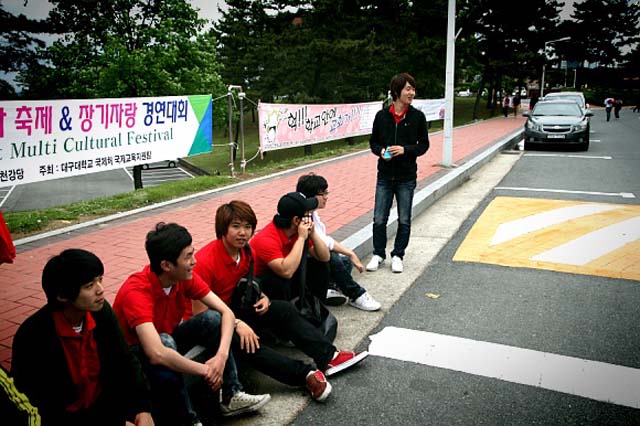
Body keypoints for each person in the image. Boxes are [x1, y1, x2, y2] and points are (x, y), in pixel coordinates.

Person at [193, 201, 368, 402]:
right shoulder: (204, 261)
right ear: (222, 228)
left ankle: (328, 357)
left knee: (283, 309)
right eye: (236, 226)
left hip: (236, 309)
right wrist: (237, 324)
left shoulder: (246, 252)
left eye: (247, 227)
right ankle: (304, 375)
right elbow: (202, 315)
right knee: (247, 342)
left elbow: (248, 284)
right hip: (213, 323)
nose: (242, 232)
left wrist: (263, 297)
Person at [113, 222, 269, 426]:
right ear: (166, 265)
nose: (194, 261)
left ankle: (231, 395)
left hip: (167, 341)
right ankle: (190, 420)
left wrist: (220, 358)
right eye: (188, 256)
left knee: (212, 319)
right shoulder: (137, 291)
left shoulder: (183, 277)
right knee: (165, 341)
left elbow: (226, 313)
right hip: (135, 358)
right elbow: (156, 352)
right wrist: (206, 370)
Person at [11, 248, 153, 426]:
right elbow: (40, 403)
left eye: (100, 280)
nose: (100, 290)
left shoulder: (101, 313)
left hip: (106, 406)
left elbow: (124, 360)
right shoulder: (33, 336)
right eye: (89, 286)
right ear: (62, 295)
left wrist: (142, 408)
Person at [366, 72, 430, 274]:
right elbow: (373, 142)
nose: (412, 93)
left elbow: (424, 145)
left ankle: (398, 255)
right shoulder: (382, 116)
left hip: (406, 177)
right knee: (379, 218)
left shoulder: (417, 117)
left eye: (413, 89)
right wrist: (381, 152)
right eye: (408, 89)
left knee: (404, 219)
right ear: (397, 91)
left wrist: (405, 150)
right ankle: (378, 254)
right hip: (384, 176)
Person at [296, 173, 381, 311]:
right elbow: (323, 243)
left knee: (345, 262)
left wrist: (349, 254)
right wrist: (350, 253)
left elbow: (323, 238)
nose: (326, 197)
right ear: (310, 197)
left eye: (326, 193)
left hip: (312, 261)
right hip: (301, 266)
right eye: (323, 194)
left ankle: (329, 289)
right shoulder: (301, 216)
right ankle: (356, 294)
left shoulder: (311, 213)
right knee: (333, 258)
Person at [250, 191, 331, 302]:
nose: (310, 218)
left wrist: (313, 234)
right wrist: (301, 238)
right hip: (263, 285)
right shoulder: (266, 239)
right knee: (279, 281)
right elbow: (286, 272)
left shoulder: (297, 230)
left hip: (286, 272)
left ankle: (315, 305)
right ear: (296, 220)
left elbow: (325, 257)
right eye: (307, 215)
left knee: (320, 266)